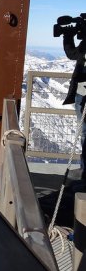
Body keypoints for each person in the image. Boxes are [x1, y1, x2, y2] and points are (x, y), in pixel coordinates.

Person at [62, 27, 86, 179]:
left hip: (81, 94)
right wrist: (68, 36)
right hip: (80, 94)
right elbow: (72, 54)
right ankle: (84, 170)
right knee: (84, 133)